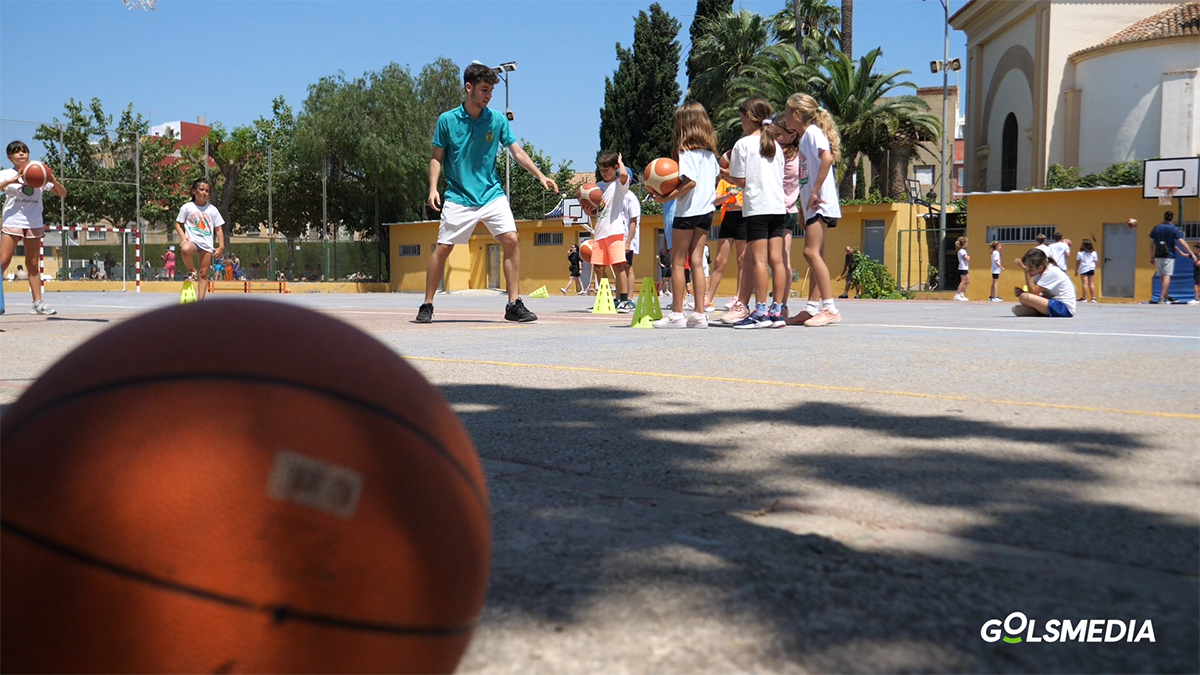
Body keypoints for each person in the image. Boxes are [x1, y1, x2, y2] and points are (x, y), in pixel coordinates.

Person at [418, 63, 558, 324]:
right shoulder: (447, 120)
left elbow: (517, 152)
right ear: (468, 87)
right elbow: (437, 157)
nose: (488, 95)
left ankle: (513, 303)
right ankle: (427, 304)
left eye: (492, 90)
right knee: (443, 249)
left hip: (491, 194)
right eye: (484, 89)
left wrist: (540, 175)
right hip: (459, 196)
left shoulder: (497, 120)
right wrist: (433, 188)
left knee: (511, 240)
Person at [720, 97, 788, 329]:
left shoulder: (743, 144)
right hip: (778, 208)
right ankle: (777, 311)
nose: (741, 123)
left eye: (741, 118)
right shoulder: (776, 147)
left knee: (758, 260)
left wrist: (725, 176)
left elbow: (741, 180)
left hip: (757, 208)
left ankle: (760, 312)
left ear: (748, 117)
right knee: (776, 260)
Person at [652, 102, 719, 329]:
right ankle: (700, 314)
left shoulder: (686, 151)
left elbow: (690, 181)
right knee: (698, 263)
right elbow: (715, 178)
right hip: (707, 212)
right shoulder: (710, 154)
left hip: (688, 212)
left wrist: (667, 197)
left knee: (678, 262)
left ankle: (678, 314)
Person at [785, 93, 843, 326]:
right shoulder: (805, 138)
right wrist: (802, 205)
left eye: (787, 112)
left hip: (820, 203)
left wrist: (817, 191)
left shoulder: (812, 133)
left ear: (797, 114)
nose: (785, 117)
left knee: (810, 253)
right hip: (812, 205)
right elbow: (805, 176)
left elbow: (827, 158)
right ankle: (811, 308)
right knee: (817, 255)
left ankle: (830, 308)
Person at [1, 140, 67, 315]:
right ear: (10, 157)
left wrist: (52, 179)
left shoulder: (38, 172)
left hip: (33, 222)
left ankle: (38, 303)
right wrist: (12, 180)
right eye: (17, 152)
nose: (21, 154)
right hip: (13, 221)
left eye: (24, 151)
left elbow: (63, 193)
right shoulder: (6, 174)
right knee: (3, 261)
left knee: (32, 264)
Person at [580, 151, 634, 312]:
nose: (603, 173)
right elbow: (600, 210)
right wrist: (591, 212)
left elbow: (623, 174)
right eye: (601, 170)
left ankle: (623, 300)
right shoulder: (597, 187)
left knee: (619, 266)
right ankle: (605, 299)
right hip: (600, 232)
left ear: (615, 168)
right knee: (598, 267)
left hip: (615, 231)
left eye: (606, 170)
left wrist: (620, 161)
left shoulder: (619, 184)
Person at [173, 178, 226, 302]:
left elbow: (218, 229)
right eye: (201, 189)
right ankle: (191, 271)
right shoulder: (187, 207)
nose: (204, 193)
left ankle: (200, 302)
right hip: (193, 240)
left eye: (207, 191)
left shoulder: (212, 210)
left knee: (203, 273)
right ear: (194, 191)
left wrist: (221, 246)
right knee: (185, 249)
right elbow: (177, 223)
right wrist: (183, 236)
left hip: (207, 244)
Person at [774, 112, 802, 318]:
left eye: (778, 134)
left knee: (773, 260)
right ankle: (782, 305)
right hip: (792, 209)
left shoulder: (781, 157)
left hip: (779, 210)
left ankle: (775, 304)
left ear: (791, 135)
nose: (774, 138)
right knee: (785, 258)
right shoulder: (798, 156)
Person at [704, 170, 744, 312]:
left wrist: (739, 205)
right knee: (720, 261)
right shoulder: (723, 182)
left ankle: (739, 297)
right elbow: (715, 201)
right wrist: (727, 196)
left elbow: (753, 203)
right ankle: (708, 298)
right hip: (727, 220)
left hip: (743, 220)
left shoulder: (744, 181)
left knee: (742, 261)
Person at [1012, 248, 1075, 317]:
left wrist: (1026, 272)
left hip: (1063, 308)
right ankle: (1039, 311)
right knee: (1020, 303)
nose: (1029, 272)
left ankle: (1037, 311)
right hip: (1053, 302)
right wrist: (1022, 292)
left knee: (1024, 297)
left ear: (1040, 268)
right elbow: (1036, 294)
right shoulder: (1038, 275)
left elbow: (1033, 293)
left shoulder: (1051, 272)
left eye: (1031, 270)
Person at [1149, 211, 1193, 304]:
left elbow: (1151, 243)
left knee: (1161, 275)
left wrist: (1151, 256)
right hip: (1168, 255)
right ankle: (1161, 298)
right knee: (1166, 275)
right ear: (1172, 218)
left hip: (1158, 254)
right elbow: (1182, 242)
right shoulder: (1174, 228)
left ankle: (1166, 295)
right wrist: (1190, 253)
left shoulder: (1156, 228)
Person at [620, 167, 642, 304]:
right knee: (619, 268)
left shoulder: (631, 198)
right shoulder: (617, 197)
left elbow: (633, 221)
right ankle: (619, 297)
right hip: (617, 237)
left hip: (627, 238)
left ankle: (629, 298)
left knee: (627, 267)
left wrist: (628, 242)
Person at [1178, 240, 1200, 305]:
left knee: (1196, 285)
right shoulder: (1194, 255)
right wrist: (1178, 250)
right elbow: (1184, 255)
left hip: (1199, 272)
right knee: (1197, 285)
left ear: (1199, 249)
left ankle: (1196, 299)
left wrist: (1198, 262)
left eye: (1195, 248)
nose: (1194, 249)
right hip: (1196, 272)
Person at [954, 236, 970, 301]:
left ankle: (962, 293)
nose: (967, 244)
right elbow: (966, 258)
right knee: (963, 281)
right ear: (964, 243)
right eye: (966, 242)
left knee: (967, 281)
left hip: (965, 268)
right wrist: (968, 257)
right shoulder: (962, 251)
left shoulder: (962, 251)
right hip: (962, 268)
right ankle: (957, 294)